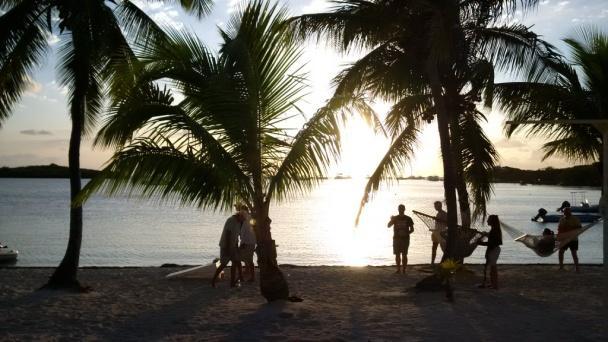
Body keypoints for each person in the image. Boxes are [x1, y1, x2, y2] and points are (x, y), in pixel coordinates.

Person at [211, 207, 245, 287]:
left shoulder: (239, 222)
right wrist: (228, 248)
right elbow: (228, 234)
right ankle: (213, 280)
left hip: (233, 246)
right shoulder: (231, 220)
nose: (243, 221)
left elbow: (236, 236)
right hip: (225, 245)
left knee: (235, 262)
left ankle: (232, 283)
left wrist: (236, 246)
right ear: (239, 216)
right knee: (223, 264)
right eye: (242, 218)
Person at [387, 204, 414, 274]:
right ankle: (398, 269)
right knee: (397, 254)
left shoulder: (408, 218)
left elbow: (412, 229)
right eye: (400, 209)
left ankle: (404, 269)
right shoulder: (395, 218)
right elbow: (388, 226)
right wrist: (391, 220)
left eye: (402, 209)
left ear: (404, 209)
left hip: (405, 239)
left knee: (404, 254)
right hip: (396, 239)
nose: (401, 210)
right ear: (398, 209)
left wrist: (406, 233)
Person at [478, 215, 502, 289]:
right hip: (494, 250)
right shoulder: (495, 229)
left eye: (488, 220)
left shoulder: (495, 230)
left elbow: (492, 243)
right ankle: (493, 284)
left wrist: (480, 243)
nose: (487, 221)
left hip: (494, 250)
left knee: (493, 268)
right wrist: (487, 234)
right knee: (492, 268)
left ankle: (495, 285)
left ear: (492, 221)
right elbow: (493, 239)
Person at [557, 207, 581, 272]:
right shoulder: (562, 219)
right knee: (561, 252)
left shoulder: (575, 219)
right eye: (565, 212)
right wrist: (558, 238)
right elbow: (559, 229)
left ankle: (577, 268)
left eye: (567, 212)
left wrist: (570, 228)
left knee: (574, 253)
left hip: (573, 239)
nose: (566, 213)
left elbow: (579, 227)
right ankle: (561, 267)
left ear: (570, 212)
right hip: (564, 238)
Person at [239, 205, 257, 282]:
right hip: (251, 242)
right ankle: (247, 271)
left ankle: (252, 277)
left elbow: (244, 233)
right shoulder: (249, 218)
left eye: (241, 211)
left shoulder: (246, 219)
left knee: (248, 260)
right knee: (247, 258)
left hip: (247, 242)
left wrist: (242, 242)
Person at [431, 201, 447, 266]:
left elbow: (446, 223)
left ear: (440, 206)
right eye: (435, 206)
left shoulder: (444, 214)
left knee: (444, 248)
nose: (435, 207)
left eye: (436, 206)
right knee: (434, 248)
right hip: (436, 233)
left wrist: (437, 219)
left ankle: (444, 261)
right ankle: (432, 262)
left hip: (442, 233)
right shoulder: (438, 213)